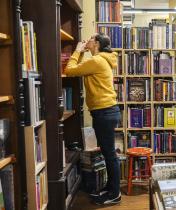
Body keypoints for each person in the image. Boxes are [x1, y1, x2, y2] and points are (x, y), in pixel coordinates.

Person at [64, 33, 121, 205]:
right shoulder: (101, 59)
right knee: (108, 152)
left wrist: (77, 51)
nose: (86, 41)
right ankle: (111, 189)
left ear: (96, 43)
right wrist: (81, 53)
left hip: (104, 112)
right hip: (106, 112)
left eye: (90, 39)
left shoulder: (96, 61)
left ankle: (114, 194)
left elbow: (70, 70)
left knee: (110, 154)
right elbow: (79, 68)